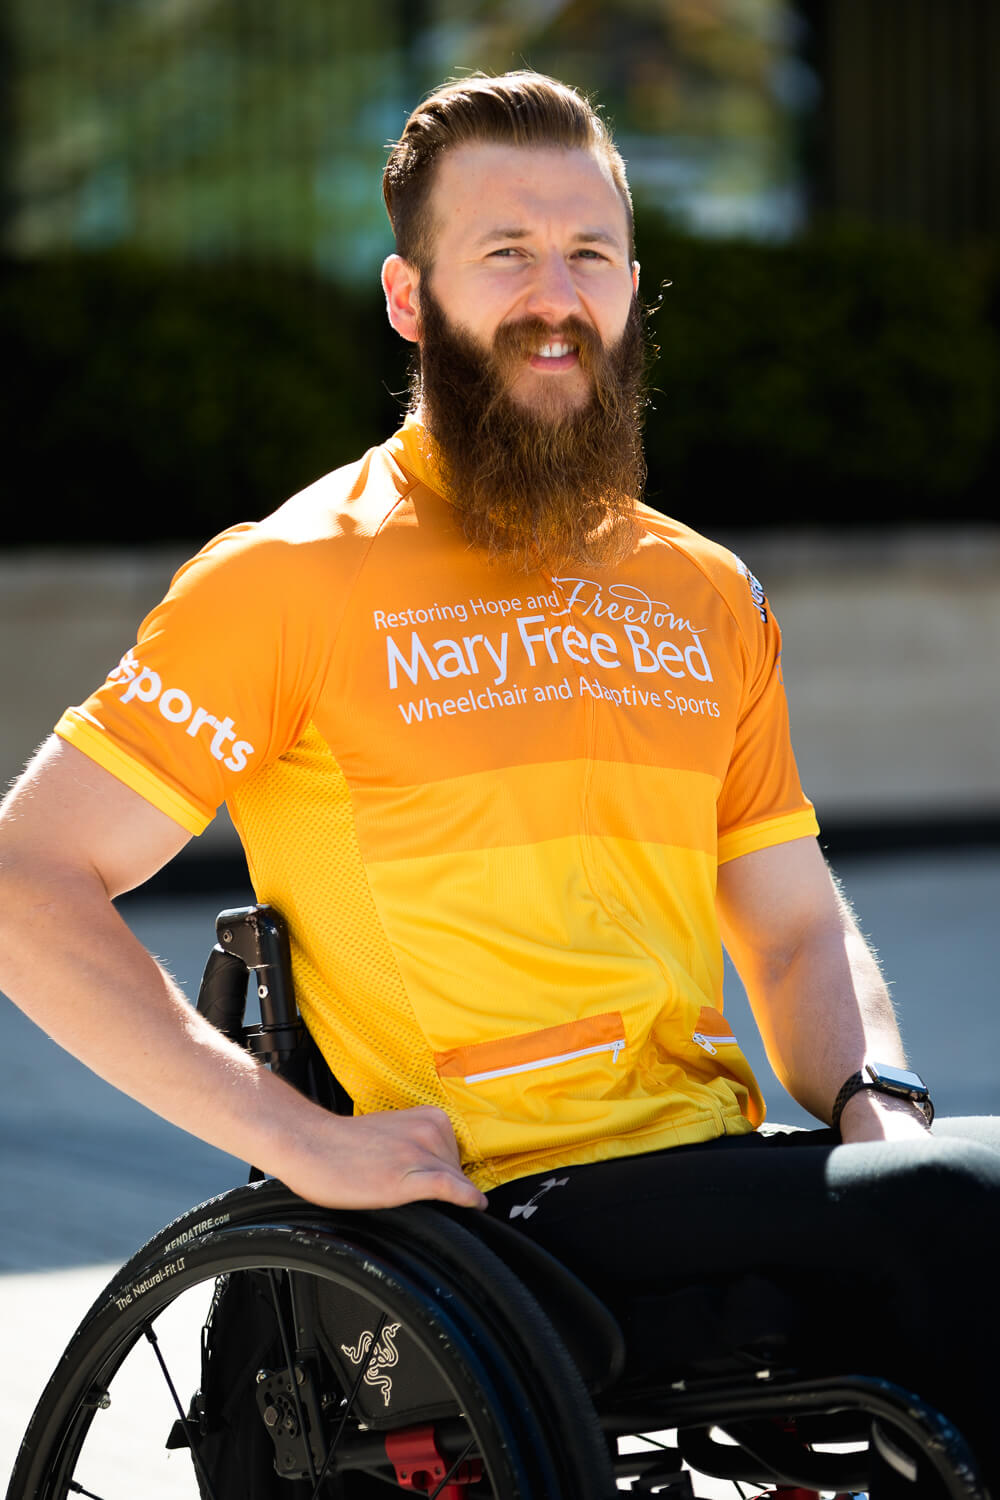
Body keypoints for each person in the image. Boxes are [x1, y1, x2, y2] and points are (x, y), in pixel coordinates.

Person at [0, 71, 997, 1495]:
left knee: (943, 1188)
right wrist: (298, 1143)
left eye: (588, 254)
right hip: (491, 1219)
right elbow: (26, 881)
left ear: (633, 288)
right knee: (965, 1216)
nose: (555, 295)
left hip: (713, 1171)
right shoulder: (290, 579)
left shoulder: (699, 590)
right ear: (412, 301)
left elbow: (787, 924)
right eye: (506, 254)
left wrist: (873, 1099)